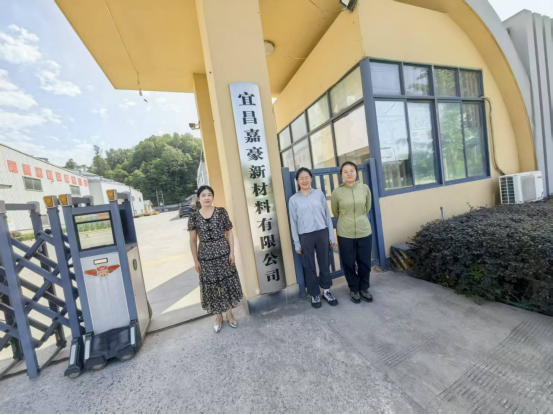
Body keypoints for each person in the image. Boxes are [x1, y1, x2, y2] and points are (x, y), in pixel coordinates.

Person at [188, 186, 244, 333]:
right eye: (203, 195)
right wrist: (196, 260)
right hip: (205, 257)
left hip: (223, 253)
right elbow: (193, 240)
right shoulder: (193, 216)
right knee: (212, 287)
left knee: (227, 284)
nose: (207, 198)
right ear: (198, 198)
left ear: (213, 197)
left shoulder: (221, 212)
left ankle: (229, 314)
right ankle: (218, 317)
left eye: (209, 195)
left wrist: (232, 253)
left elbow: (229, 233)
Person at [289, 168, 338, 309]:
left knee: (325, 262)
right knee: (309, 265)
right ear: (297, 181)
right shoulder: (293, 200)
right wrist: (297, 243)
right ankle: (314, 294)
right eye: (301, 178)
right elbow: (293, 222)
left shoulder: (319, 194)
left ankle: (326, 291)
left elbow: (327, 215)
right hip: (305, 235)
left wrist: (331, 235)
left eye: (307, 177)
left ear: (311, 178)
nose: (304, 180)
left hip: (322, 232)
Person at [331, 162, 374, 304]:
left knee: (365, 262)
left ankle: (364, 288)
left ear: (356, 172)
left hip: (364, 230)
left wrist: (359, 219)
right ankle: (354, 288)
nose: (349, 173)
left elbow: (367, 207)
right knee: (348, 263)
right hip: (345, 233)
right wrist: (346, 220)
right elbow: (336, 211)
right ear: (341, 175)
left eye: (351, 170)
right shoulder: (337, 192)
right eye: (345, 171)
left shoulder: (365, 188)